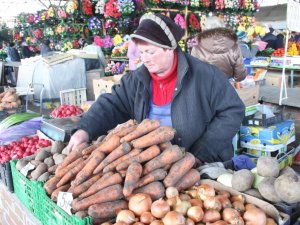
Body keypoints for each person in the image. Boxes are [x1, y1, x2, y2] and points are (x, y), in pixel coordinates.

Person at [67, 13, 245, 164]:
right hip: (153, 165)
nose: (145, 59)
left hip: (201, 165)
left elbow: (232, 110)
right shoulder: (136, 80)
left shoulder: (206, 76)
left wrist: (201, 153)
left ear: (170, 49)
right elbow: (111, 104)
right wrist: (84, 130)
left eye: (151, 52)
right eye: (142, 52)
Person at [191, 16, 246, 82]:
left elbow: (193, 71)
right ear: (222, 27)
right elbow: (240, 75)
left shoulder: (197, 45)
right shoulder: (233, 45)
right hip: (226, 86)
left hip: (204, 86)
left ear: (206, 27)